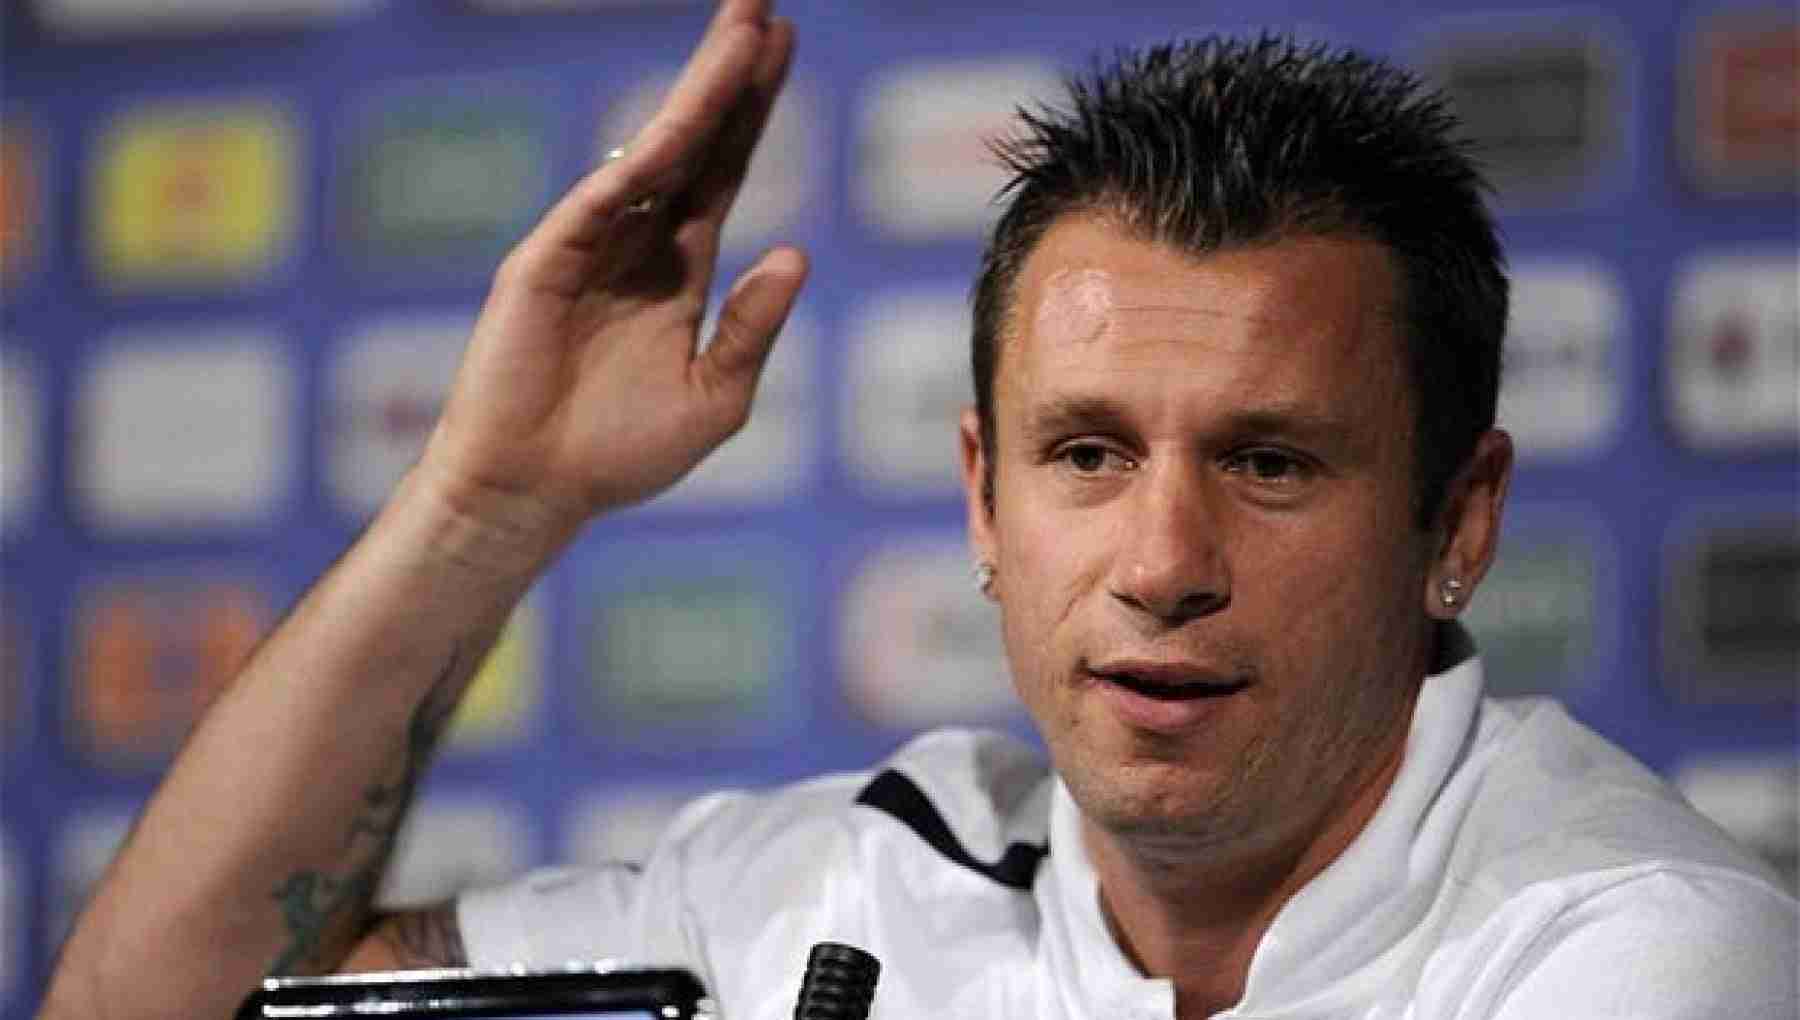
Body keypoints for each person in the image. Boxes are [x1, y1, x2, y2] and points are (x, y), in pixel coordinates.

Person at [41, 2, 1797, 1018]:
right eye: (1085, 455)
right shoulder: (823, 893)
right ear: (981, 494)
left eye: (1271, 464)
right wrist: (481, 507)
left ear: (1458, 523)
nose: (1163, 565)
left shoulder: (1636, 948)